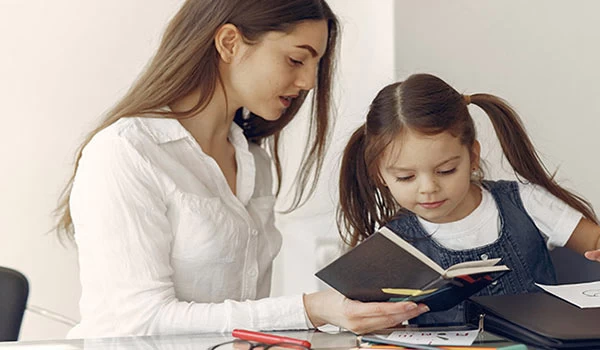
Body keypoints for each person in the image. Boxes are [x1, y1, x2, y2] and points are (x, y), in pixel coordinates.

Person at [55, 0, 428, 338]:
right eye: (297, 60)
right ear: (230, 43)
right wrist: (311, 309)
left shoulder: (255, 163)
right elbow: (138, 321)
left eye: (317, 65)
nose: (309, 83)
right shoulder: (127, 152)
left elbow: (240, 316)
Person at [337, 73, 600, 325]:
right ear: (379, 174)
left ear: (473, 156)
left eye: (446, 170)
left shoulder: (523, 202)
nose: (428, 188)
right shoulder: (391, 244)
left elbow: (598, 237)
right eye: (405, 177)